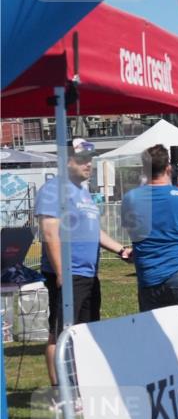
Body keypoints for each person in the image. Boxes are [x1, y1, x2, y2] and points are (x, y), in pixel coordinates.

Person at [36, 138, 132, 385]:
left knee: (85, 331)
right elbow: (49, 232)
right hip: (69, 274)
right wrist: (61, 272)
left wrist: (121, 250)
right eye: (81, 159)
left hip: (88, 274)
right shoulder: (53, 189)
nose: (88, 163)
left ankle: (80, 385)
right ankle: (60, 392)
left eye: (90, 159)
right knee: (60, 333)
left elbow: (94, 231)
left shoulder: (83, 192)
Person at [121, 144, 178, 312]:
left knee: (152, 325)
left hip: (148, 273)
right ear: (168, 168)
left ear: (144, 169)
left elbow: (133, 232)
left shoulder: (131, 198)